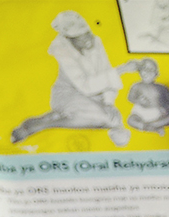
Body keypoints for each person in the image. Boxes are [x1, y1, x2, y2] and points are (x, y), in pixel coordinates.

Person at [12, 11, 131, 146]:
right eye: (79, 37)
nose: (87, 39)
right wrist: (122, 70)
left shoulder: (95, 42)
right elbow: (86, 86)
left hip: (94, 97)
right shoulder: (61, 51)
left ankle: (56, 116)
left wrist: (109, 103)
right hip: (68, 95)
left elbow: (105, 69)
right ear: (69, 39)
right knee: (103, 118)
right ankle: (45, 124)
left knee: (114, 119)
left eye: (87, 33)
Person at [127, 58, 169, 134]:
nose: (147, 72)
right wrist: (139, 100)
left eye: (150, 70)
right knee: (130, 120)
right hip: (140, 112)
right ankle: (152, 127)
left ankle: (152, 125)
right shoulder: (136, 86)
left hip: (158, 113)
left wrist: (164, 108)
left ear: (156, 73)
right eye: (144, 69)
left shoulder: (162, 88)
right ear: (139, 72)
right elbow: (130, 98)